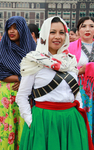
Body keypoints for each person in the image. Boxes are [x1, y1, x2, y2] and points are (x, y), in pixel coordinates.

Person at [16, 16, 93, 150]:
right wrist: (31, 122)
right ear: (45, 34)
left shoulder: (70, 61)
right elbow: (22, 96)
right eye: (52, 32)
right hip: (43, 121)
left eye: (61, 32)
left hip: (71, 121)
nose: (57, 36)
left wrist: (78, 116)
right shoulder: (33, 60)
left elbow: (76, 93)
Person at [0, 16, 36, 150]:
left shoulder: (33, 49)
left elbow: (39, 70)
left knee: (24, 126)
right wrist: (21, 78)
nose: (12, 31)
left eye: (15, 28)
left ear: (23, 30)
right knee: (4, 129)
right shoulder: (2, 49)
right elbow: (1, 74)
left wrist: (24, 81)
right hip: (6, 95)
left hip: (28, 95)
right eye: (9, 28)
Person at [69, 16, 94, 143]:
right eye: (83, 26)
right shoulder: (70, 48)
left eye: (91, 26)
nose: (87, 29)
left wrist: (88, 68)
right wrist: (82, 70)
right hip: (79, 89)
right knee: (81, 118)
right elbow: (66, 70)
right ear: (78, 31)